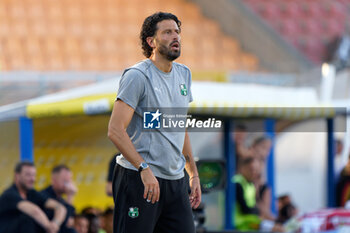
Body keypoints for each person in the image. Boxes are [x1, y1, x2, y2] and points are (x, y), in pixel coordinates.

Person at [107, 12, 201, 233]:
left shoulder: (184, 74)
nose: (175, 36)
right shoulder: (137, 76)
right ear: (151, 41)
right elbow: (115, 130)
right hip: (139, 178)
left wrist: (193, 173)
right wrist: (144, 168)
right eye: (167, 32)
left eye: (177, 31)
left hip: (175, 181)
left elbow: (180, 128)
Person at [0, 161, 66, 233]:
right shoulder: (9, 194)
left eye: (34, 175)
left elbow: (60, 207)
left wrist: (55, 224)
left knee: (52, 215)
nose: (32, 179)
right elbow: (34, 211)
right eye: (28, 175)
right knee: (28, 218)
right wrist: (49, 227)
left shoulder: (32, 193)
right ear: (17, 176)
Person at [232, 156, 284, 232]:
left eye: (256, 170)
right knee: (274, 229)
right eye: (251, 169)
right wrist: (260, 214)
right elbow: (245, 210)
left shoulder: (250, 184)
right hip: (240, 223)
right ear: (242, 168)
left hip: (250, 222)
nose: (254, 173)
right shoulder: (237, 183)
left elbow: (255, 206)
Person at [41, 165, 78, 233]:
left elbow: (70, 222)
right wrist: (70, 197)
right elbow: (65, 222)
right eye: (65, 180)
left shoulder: (62, 199)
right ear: (53, 180)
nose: (68, 184)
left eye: (69, 180)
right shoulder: (43, 196)